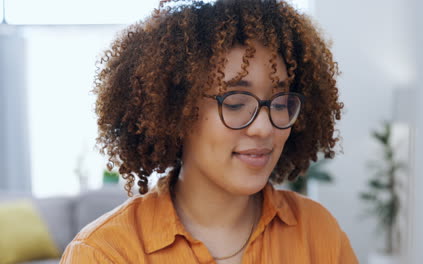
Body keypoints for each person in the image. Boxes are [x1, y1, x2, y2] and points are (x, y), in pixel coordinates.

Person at [60, 0, 358, 263]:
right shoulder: (104, 253)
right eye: (236, 102)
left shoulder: (319, 235)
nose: (265, 127)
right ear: (178, 110)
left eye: (280, 102)